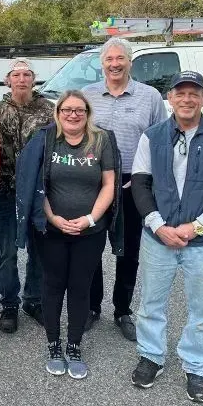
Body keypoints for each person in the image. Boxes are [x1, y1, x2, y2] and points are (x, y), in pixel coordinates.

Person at [129, 71, 203, 403]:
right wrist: (157, 225)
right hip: (158, 239)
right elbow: (139, 182)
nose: (187, 99)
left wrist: (197, 227)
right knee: (151, 303)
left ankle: (197, 368)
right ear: (170, 98)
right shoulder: (152, 136)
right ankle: (151, 356)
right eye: (181, 93)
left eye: (195, 93)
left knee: (202, 310)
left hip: (202, 243)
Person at [16, 90, 119, 379]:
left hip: (90, 231)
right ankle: (53, 344)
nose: (73, 115)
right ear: (58, 113)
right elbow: (37, 184)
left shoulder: (101, 140)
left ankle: (74, 345)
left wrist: (89, 219)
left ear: (87, 113)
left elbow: (109, 184)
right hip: (52, 229)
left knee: (79, 286)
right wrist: (53, 218)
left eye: (79, 110)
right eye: (67, 110)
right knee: (52, 285)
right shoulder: (46, 140)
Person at [82, 37, 167, 341]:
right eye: (109, 59)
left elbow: (162, 142)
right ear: (102, 63)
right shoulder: (87, 95)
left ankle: (122, 310)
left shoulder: (150, 97)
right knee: (91, 248)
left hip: (134, 184)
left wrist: (150, 181)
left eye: (120, 58)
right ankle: (92, 308)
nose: (115, 64)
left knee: (128, 252)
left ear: (130, 62)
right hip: (93, 184)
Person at [0, 58, 53, 333]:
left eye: (27, 74)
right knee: (8, 251)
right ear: (8, 80)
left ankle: (33, 300)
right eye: (17, 75)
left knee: (39, 250)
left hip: (38, 193)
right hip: (6, 191)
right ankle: (10, 304)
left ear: (33, 79)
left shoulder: (49, 111)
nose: (22, 79)